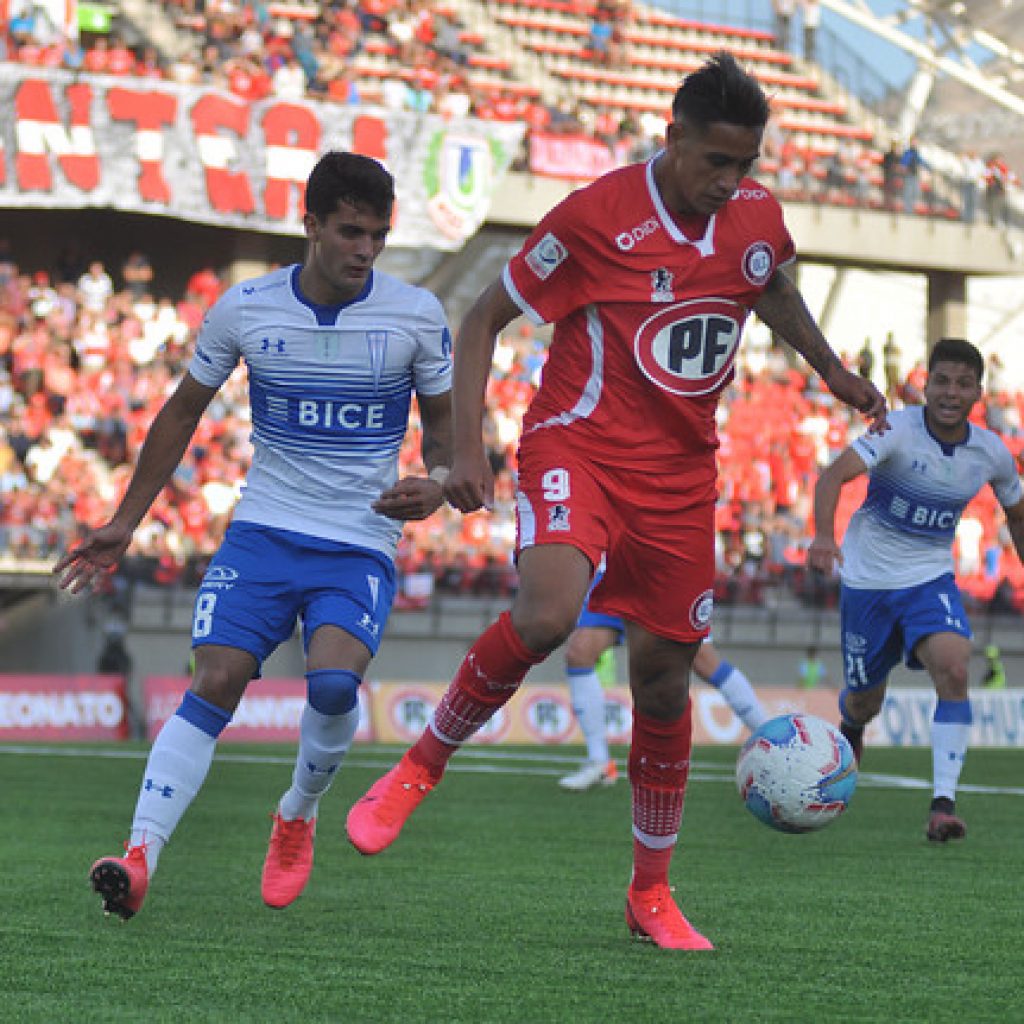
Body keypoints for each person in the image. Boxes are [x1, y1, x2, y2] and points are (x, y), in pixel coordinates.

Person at [344, 52, 886, 952]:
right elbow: (482, 316)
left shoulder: (753, 216)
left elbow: (768, 280)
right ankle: (418, 765)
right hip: (579, 445)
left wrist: (830, 370)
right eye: (714, 161)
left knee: (664, 683)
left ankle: (651, 892)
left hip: (682, 479)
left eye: (743, 164)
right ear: (671, 137)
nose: (729, 181)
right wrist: (467, 448)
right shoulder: (598, 214)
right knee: (552, 613)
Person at [53, 151, 454, 920]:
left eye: (377, 234)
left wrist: (437, 481)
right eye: (349, 232)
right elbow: (180, 413)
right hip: (263, 533)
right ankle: (139, 856)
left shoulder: (415, 314)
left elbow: (443, 436)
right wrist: (126, 520)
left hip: (359, 540)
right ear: (310, 226)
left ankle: (297, 812)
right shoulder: (246, 307)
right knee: (215, 680)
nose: (364, 249)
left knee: (334, 686)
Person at [808, 338, 1024, 844]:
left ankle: (943, 805)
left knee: (954, 666)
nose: (951, 392)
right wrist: (822, 536)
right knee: (864, 702)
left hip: (929, 578)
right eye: (942, 381)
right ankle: (853, 730)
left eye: (963, 383)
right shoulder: (896, 430)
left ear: (978, 390)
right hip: (867, 581)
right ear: (926, 384)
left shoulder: (991, 452)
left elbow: (1016, 511)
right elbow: (833, 476)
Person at [560, 571, 768, 791]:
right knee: (579, 653)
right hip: (618, 571)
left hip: (666, 566)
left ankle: (771, 741)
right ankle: (599, 762)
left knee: (704, 660)